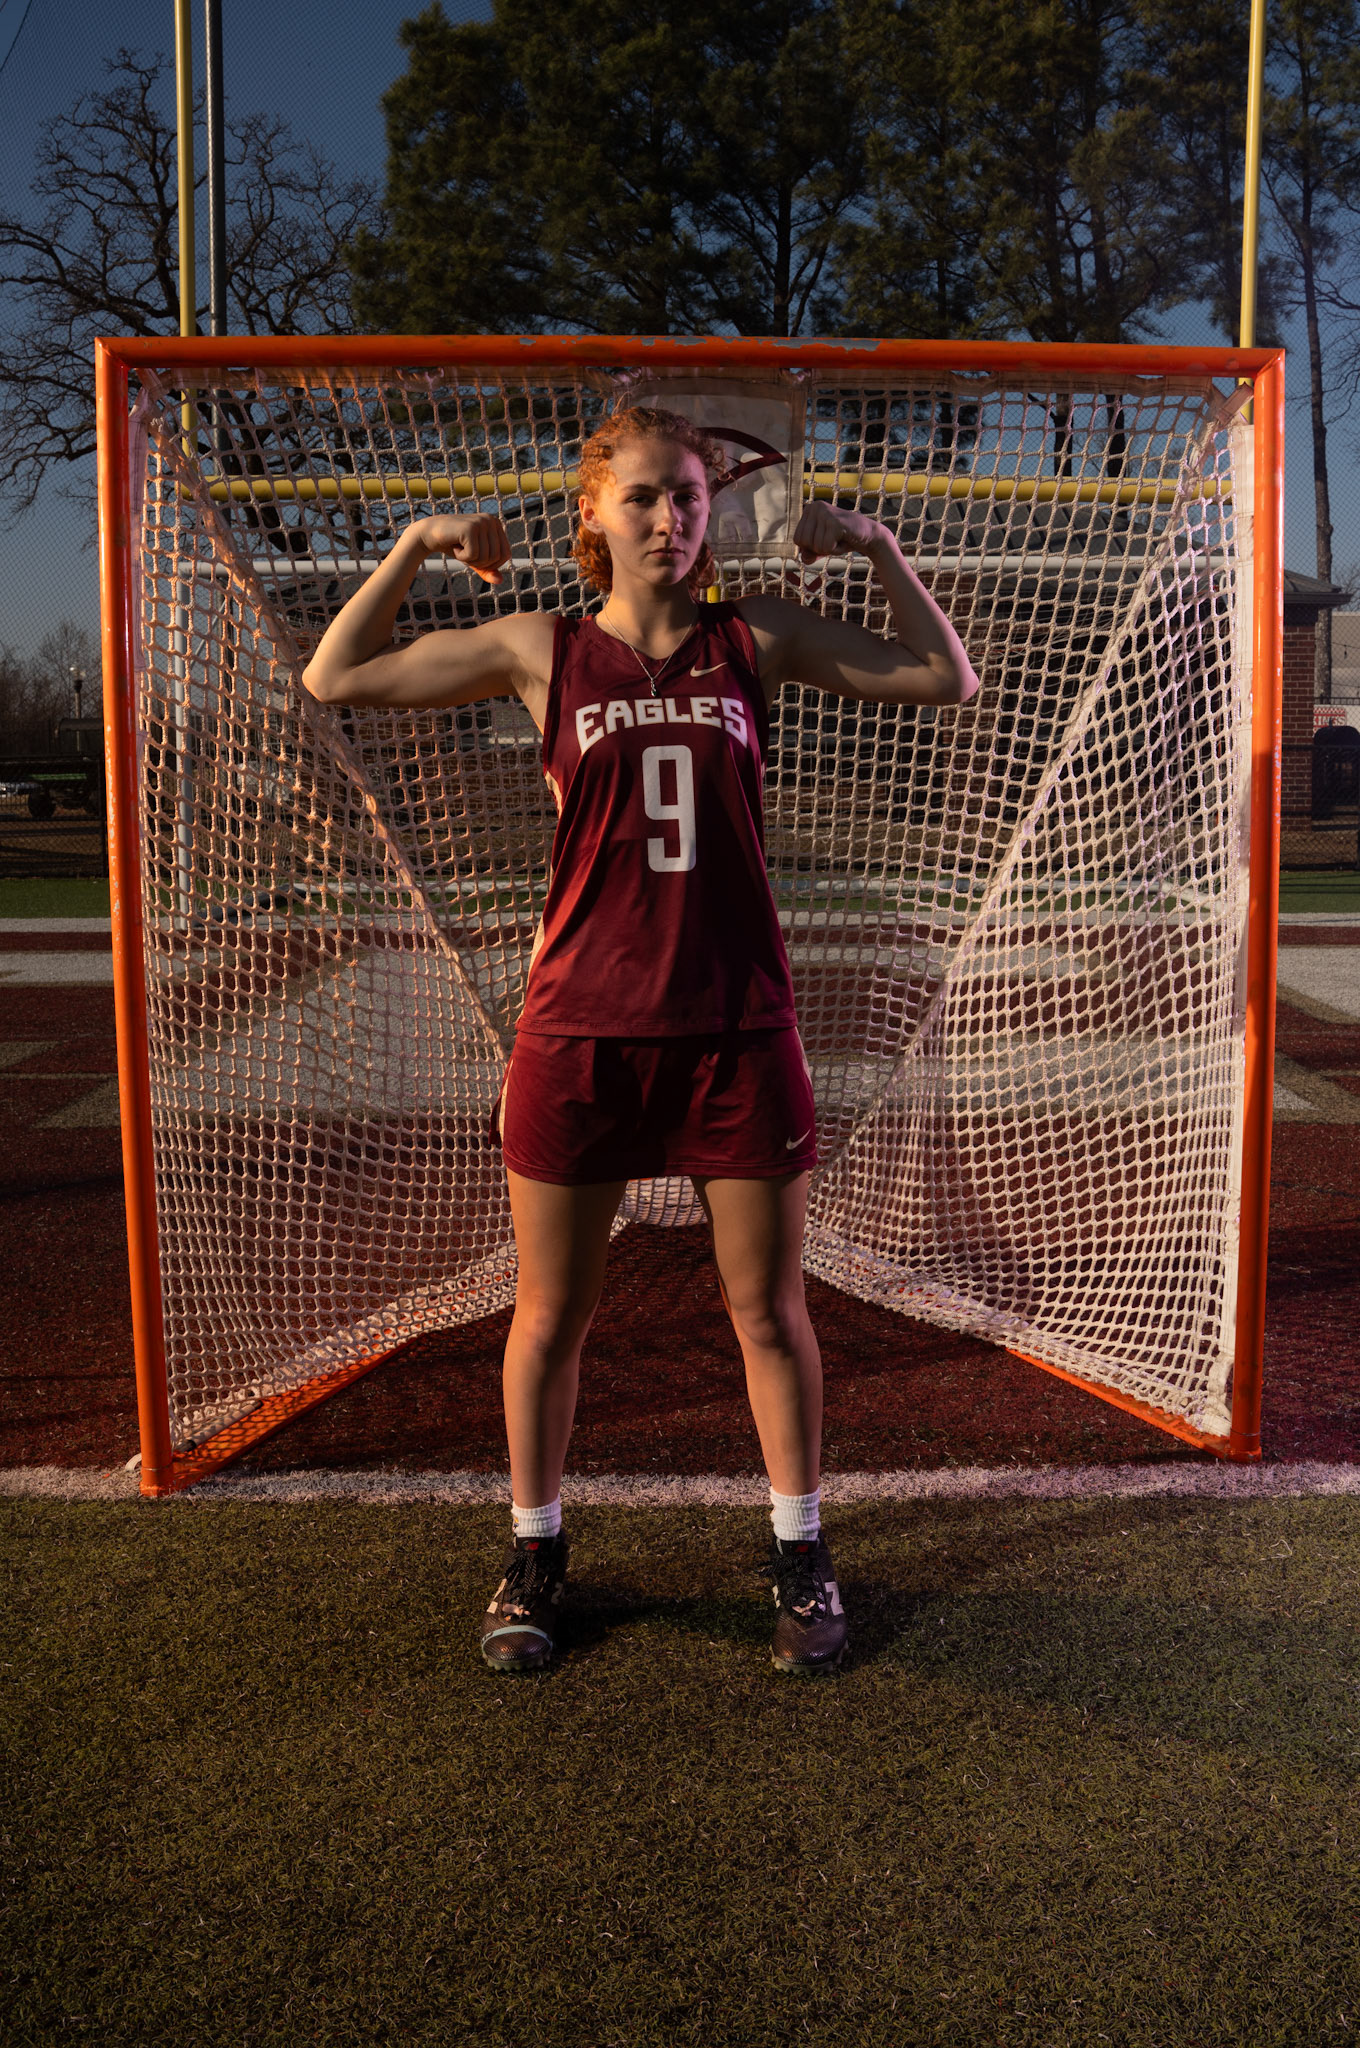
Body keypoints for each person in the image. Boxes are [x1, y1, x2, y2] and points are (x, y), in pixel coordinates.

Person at [302, 404, 979, 1677]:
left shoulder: (752, 637)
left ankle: (800, 1549)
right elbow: (335, 674)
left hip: (737, 1028)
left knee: (767, 1310)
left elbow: (948, 678)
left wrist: (877, 547)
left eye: (688, 496)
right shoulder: (542, 646)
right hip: (579, 1033)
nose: (669, 516)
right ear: (594, 516)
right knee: (551, 1312)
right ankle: (535, 1550)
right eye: (644, 495)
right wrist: (416, 542)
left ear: (712, 512)